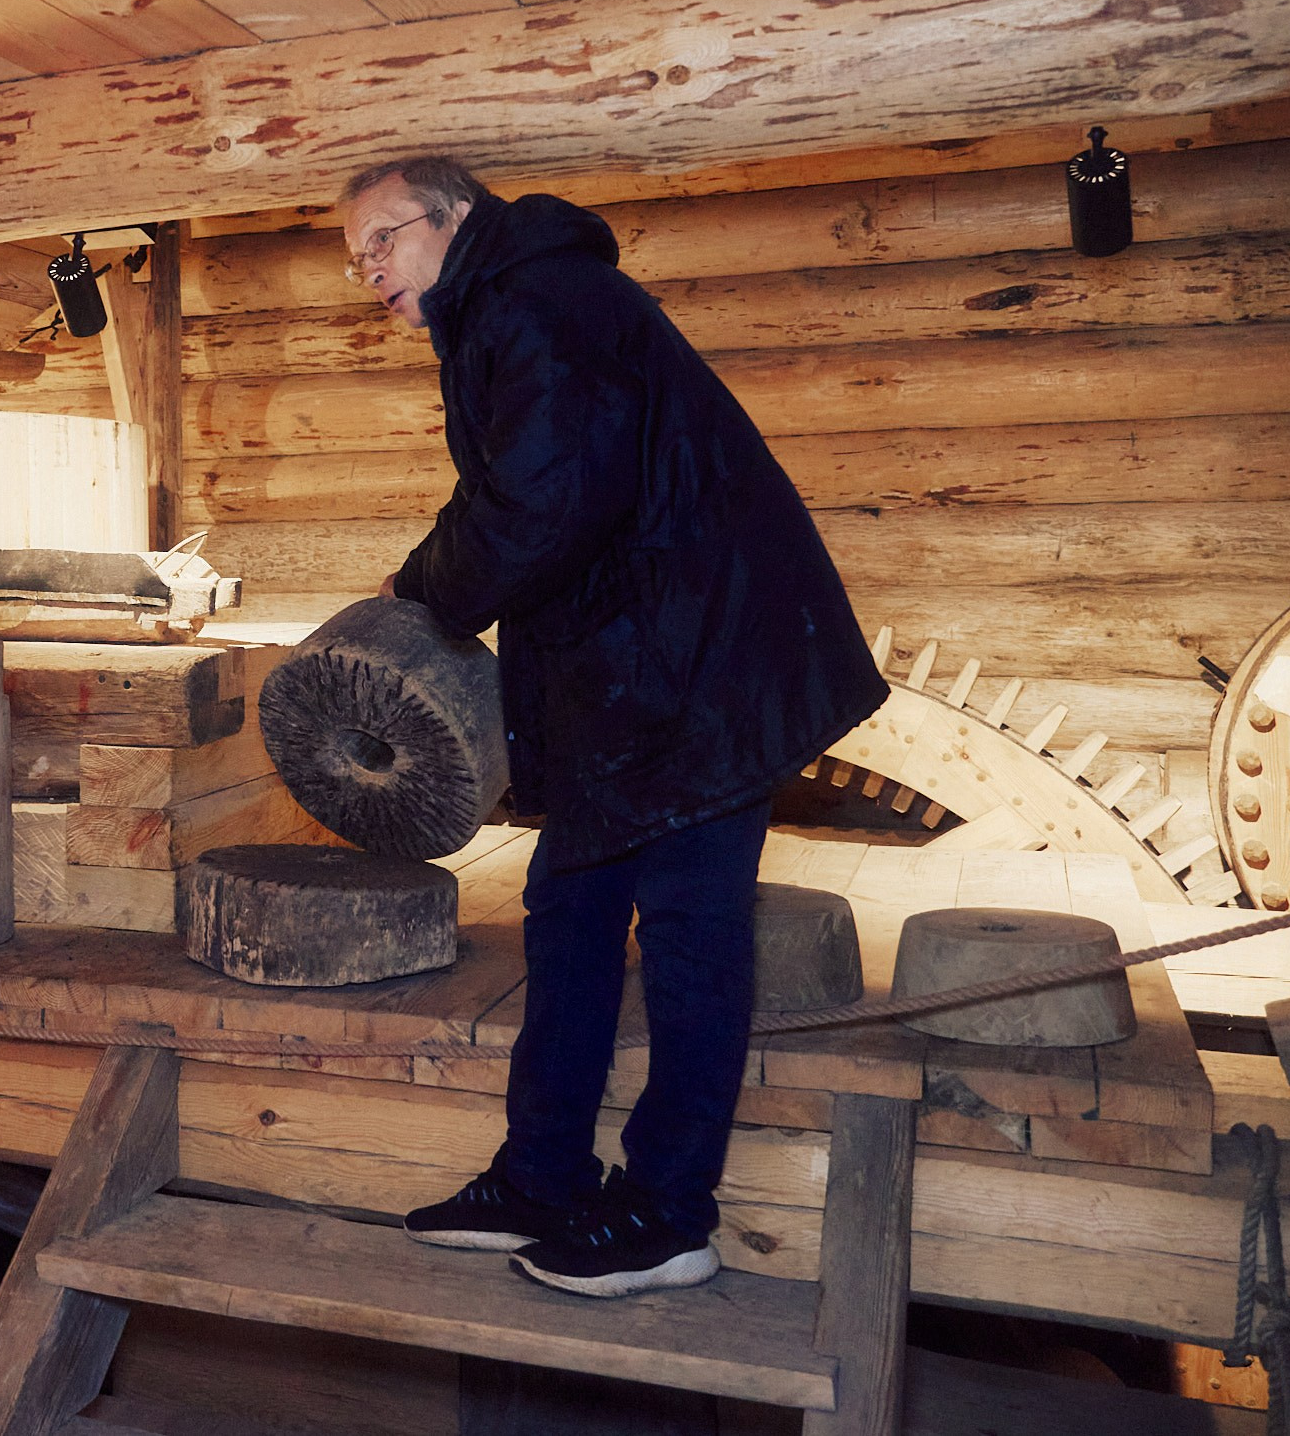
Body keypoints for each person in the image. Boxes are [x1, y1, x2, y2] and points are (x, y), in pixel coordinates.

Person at [343, 156, 885, 1299]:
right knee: (570, 909)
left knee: (689, 931)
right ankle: (543, 1173)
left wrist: (434, 588)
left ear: (454, 217)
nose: (368, 274)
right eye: (358, 258)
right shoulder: (513, 308)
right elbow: (509, 487)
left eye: (381, 243)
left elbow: (542, 505)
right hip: (637, 666)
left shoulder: (540, 304)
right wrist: (416, 579)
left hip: (699, 666)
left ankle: (667, 1213)